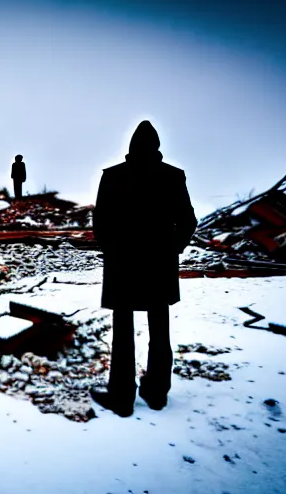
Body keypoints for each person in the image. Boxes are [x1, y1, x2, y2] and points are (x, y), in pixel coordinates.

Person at [90, 120, 197, 417]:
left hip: (122, 266)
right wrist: (171, 249)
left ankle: (122, 399)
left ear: (131, 147)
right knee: (159, 330)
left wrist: (113, 251)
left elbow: (100, 224)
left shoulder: (112, 176)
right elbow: (188, 222)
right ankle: (157, 394)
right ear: (157, 147)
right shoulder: (173, 177)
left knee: (123, 333)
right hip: (159, 267)